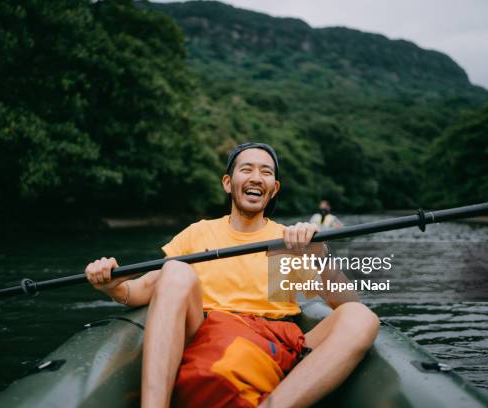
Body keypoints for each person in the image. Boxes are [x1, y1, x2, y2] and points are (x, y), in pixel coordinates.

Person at [85, 143, 379, 408]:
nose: (255, 177)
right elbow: (144, 288)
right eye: (246, 169)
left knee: (362, 317)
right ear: (229, 183)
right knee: (174, 270)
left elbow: (345, 303)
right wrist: (113, 286)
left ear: (273, 189)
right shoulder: (199, 232)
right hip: (206, 333)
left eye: (265, 172)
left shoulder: (287, 241)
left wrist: (316, 252)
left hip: (273, 339)